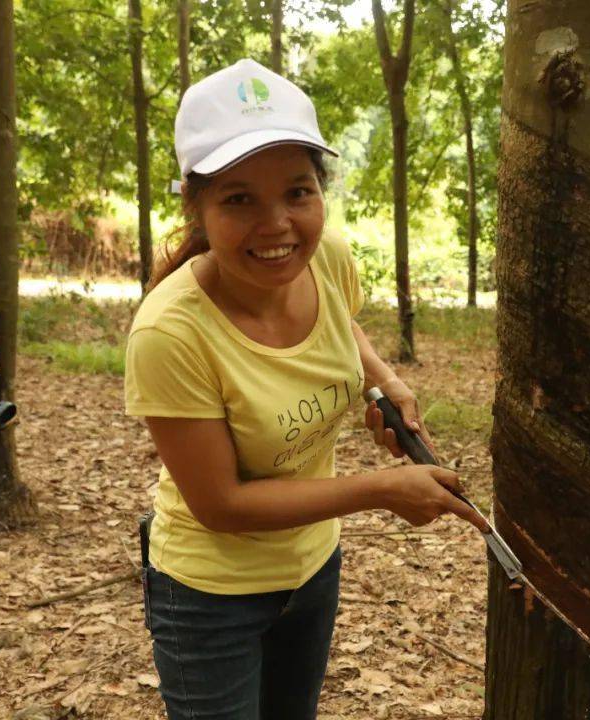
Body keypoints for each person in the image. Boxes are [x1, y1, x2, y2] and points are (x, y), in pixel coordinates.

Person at [124, 58, 488, 720]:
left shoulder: (329, 259)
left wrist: (384, 378)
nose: (278, 226)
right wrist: (381, 491)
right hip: (209, 596)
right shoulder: (170, 334)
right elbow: (222, 504)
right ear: (196, 204)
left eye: (297, 192)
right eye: (240, 199)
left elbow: (342, 325)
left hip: (313, 570)